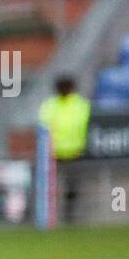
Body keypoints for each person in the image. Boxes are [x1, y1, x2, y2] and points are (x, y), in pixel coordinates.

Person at [38, 74, 90, 223]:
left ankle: (69, 215)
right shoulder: (50, 105)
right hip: (53, 154)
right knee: (50, 187)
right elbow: (43, 128)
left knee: (72, 187)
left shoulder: (80, 105)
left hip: (75, 152)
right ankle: (48, 216)